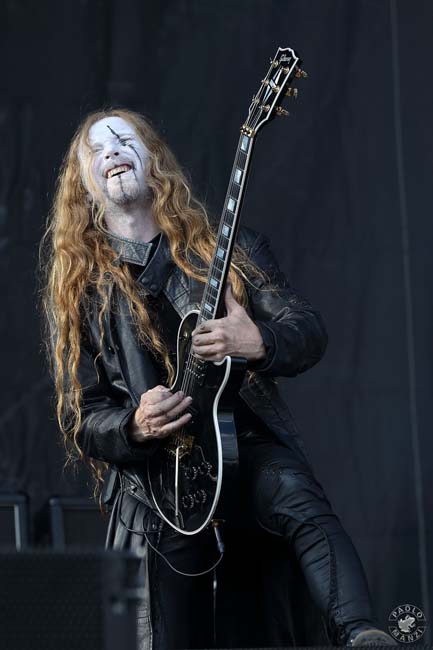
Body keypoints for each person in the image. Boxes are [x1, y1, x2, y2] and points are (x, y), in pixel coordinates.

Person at [42, 107, 397, 648]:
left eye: (126, 140)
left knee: (300, 499)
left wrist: (261, 341)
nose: (113, 149)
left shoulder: (227, 249)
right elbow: (82, 417)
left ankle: (363, 634)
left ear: (153, 159)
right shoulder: (84, 290)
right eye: (97, 148)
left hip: (241, 443)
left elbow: (307, 329)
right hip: (157, 483)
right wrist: (133, 426)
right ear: (84, 184)